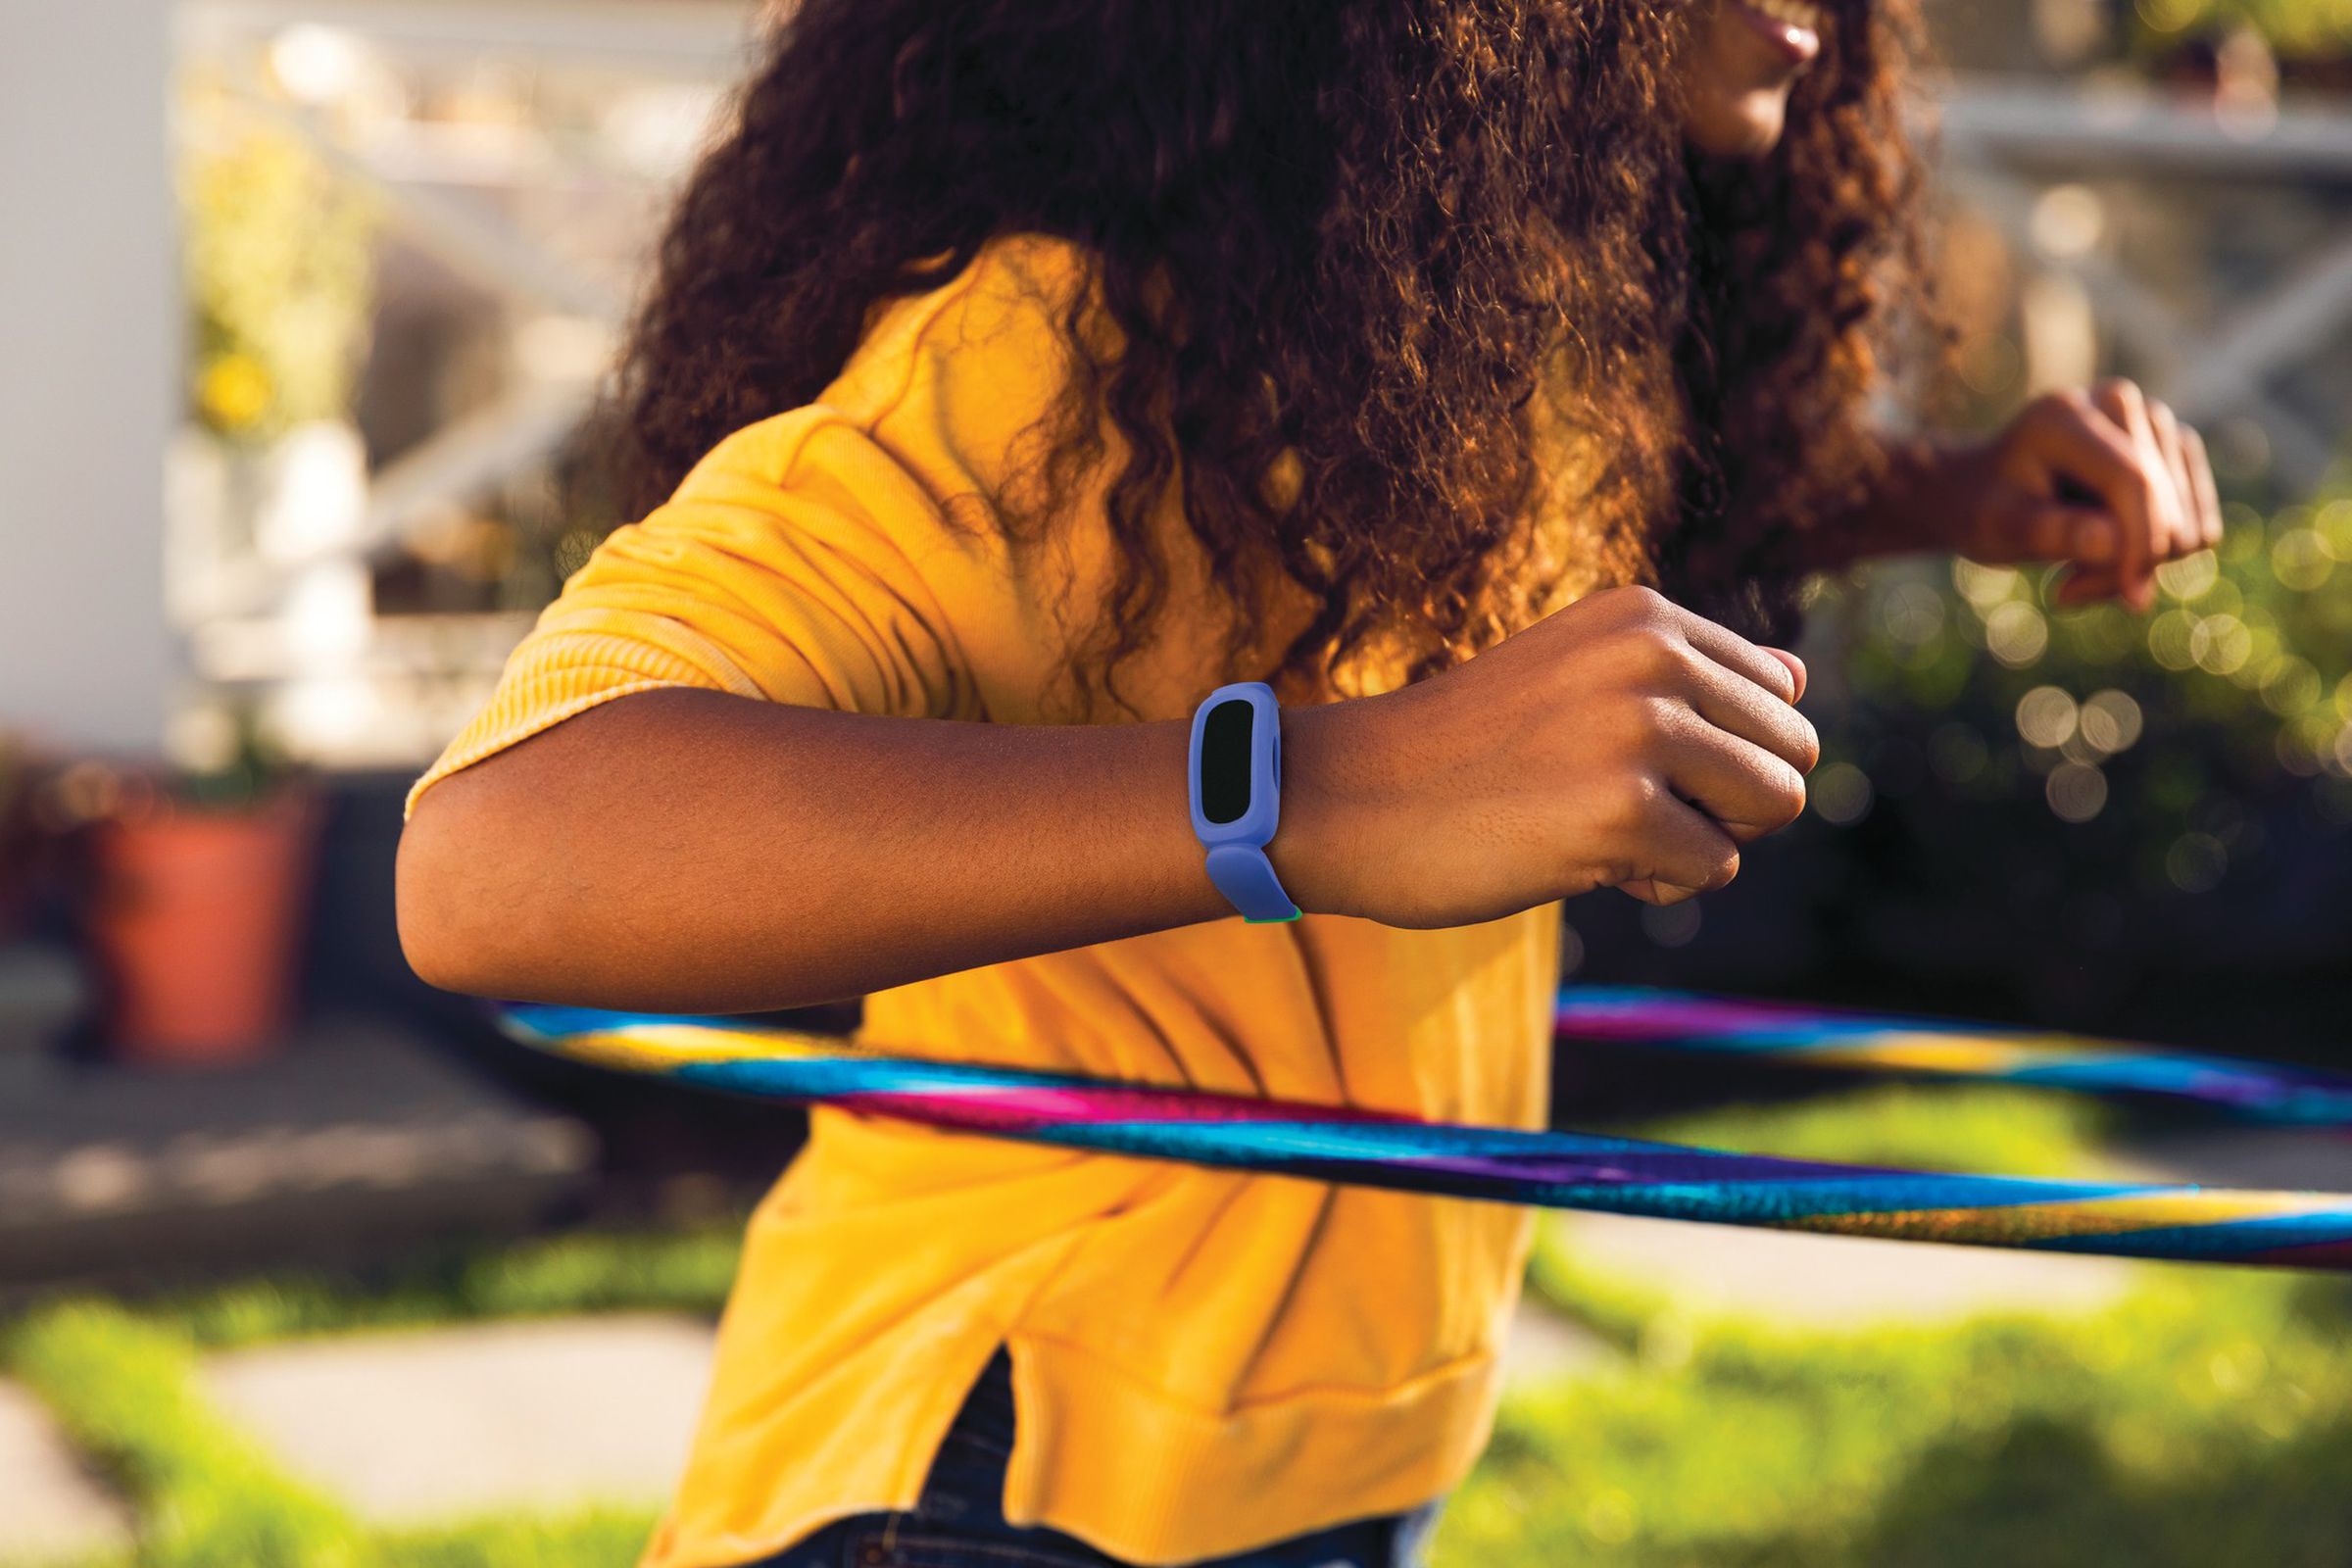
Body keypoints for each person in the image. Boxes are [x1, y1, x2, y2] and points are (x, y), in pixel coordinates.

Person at [395, 2, 2223, 1564]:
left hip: (1348, 1453)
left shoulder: (1473, 306)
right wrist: (1320, 798)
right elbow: (501, 854)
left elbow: (1582, 533)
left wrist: (1944, 493)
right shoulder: (1043, 357)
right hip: (1005, 1455)